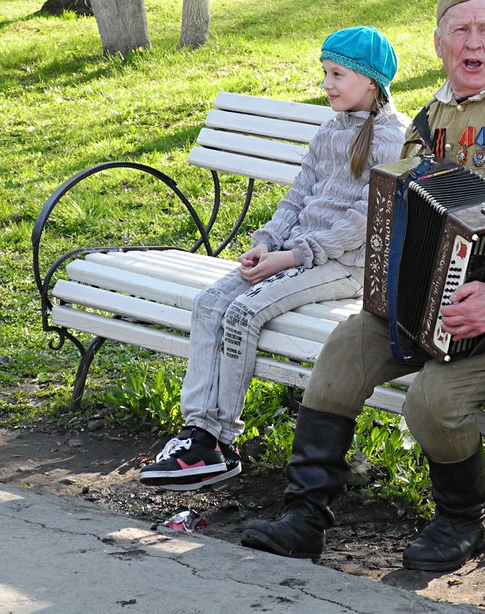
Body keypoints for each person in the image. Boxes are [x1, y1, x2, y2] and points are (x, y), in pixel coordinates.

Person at [240, 0, 485, 572]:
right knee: (342, 354)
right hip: (417, 306)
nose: (474, 45)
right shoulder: (428, 119)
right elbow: (398, 208)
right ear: (439, 43)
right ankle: (305, 518)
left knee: (431, 402)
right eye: (461, 31)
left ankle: (463, 519)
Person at [139, 26, 411, 491]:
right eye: (325, 72)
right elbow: (298, 196)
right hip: (295, 253)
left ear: (370, 80)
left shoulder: (393, 138)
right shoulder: (330, 129)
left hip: (345, 265)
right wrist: (267, 242)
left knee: (243, 313)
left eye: (337, 74)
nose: (327, 83)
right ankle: (198, 432)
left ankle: (221, 443)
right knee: (210, 303)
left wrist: (291, 258)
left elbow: (364, 221)